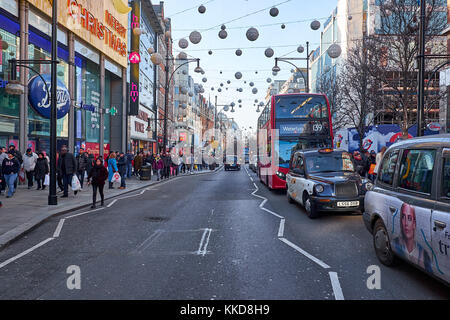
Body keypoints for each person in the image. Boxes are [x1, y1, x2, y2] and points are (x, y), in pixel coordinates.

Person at [393, 203, 433, 274]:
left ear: (414, 224)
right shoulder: (394, 243)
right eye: (403, 217)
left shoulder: (424, 255)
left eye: (409, 218)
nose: (406, 223)